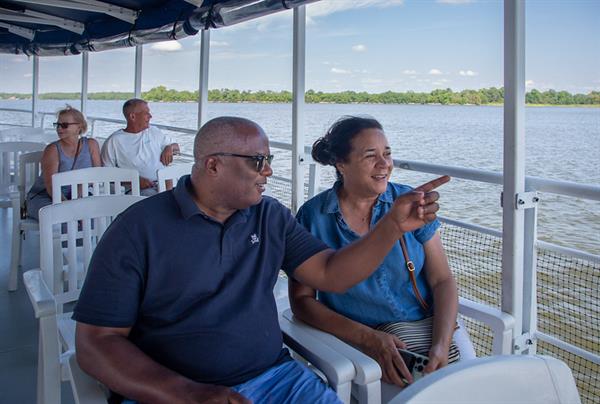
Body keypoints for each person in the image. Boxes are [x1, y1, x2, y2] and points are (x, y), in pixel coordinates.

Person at [73, 116, 449, 403]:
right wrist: (189, 394)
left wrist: (393, 227)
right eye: (258, 161)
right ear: (214, 165)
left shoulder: (271, 216)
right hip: (171, 393)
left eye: (268, 160)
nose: (269, 171)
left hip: (276, 380)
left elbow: (330, 274)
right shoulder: (137, 229)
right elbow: (97, 342)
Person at [290, 116, 474, 388]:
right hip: (358, 339)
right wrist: (368, 339)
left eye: (387, 154)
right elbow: (302, 301)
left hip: (427, 329)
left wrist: (441, 345)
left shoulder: (409, 202)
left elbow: (442, 280)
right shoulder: (313, 216)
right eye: (370, 156)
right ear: (341, 164)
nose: (384, 164)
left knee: (473, 386)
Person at [26, 106, 101, 220]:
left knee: (96, 215)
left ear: (79, 126)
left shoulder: (91, 144)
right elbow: (51, 186)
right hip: (45, 197)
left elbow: (97, 174)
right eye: (57, 125)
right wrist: (70, 208)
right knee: (64, 218)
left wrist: (78, 195)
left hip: (77, 195)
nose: (59, 128)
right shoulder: (53, 149)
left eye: (64, 125)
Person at [101, 98, 180, 196]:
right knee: (162, 200)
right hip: (138, 190)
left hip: (165, 182)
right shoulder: (114, 141)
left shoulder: (154, 131)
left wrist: (170, 148)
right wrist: (133, 181)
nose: (150, 116)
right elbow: (107, 174)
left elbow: (177, 148)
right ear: (132, 116)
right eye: (146, 113)